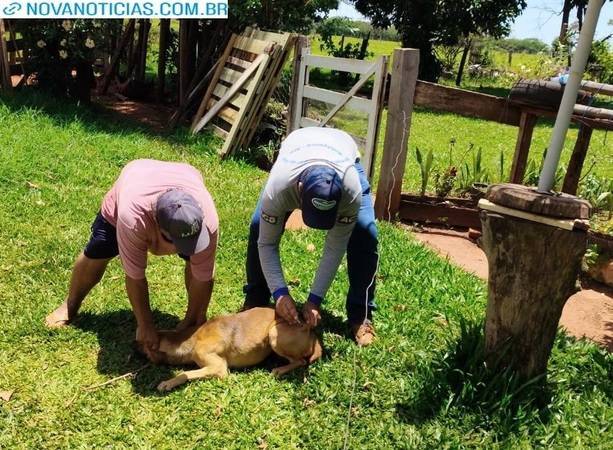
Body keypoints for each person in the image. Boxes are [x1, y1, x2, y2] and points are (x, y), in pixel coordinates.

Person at [45, 159, 218, 355]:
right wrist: (145, 325)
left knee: (196, 264)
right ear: (157, 226)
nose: (185, 247)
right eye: (177, 241)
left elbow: (204, 275)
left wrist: (195, 322)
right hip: (136, 180)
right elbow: (135, 277)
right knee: (99, 250)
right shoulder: (133, 217)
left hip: (185, 176)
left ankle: (191, 320)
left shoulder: (207, 221)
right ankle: (70, 305)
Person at [243, 127, 378, 346]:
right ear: (299, 190)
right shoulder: (280, 185)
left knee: (365, 233)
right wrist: (279, 293)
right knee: (259, 225)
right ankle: (255, 301)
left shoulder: (350, 191)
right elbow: (267, 243)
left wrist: (315, 299)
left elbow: (335, 248)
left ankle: (361, 316)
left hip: (344, 156)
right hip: (296, 151)